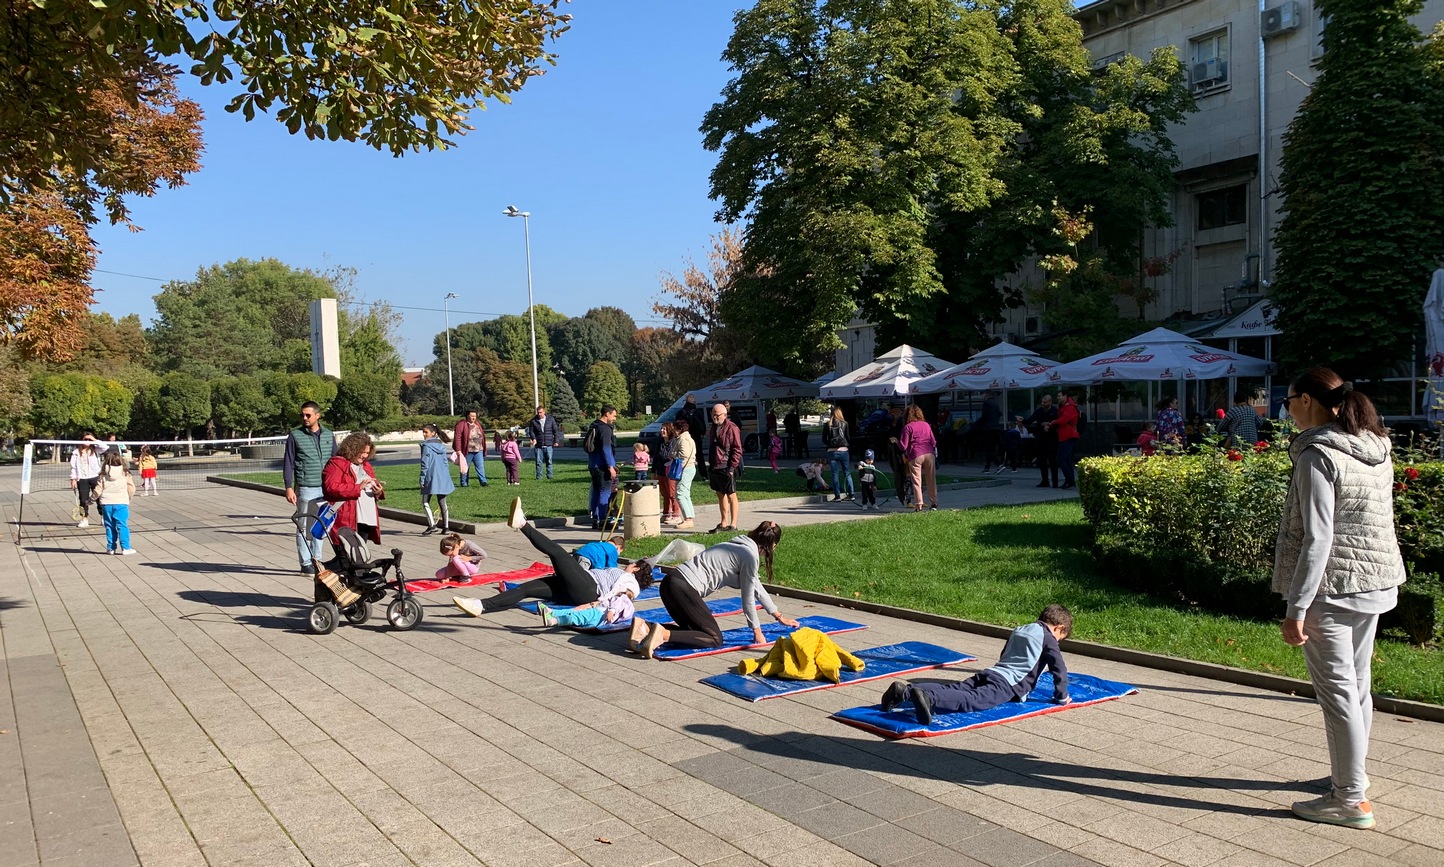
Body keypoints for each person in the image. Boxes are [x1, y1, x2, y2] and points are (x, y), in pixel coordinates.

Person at [1274, 369, 1405, 831]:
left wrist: (1297, 607)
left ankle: (1349, 799)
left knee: (1339, 696)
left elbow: (1318, 538)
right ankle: (1352, 780)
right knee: (1358, 686)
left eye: (1288, 400)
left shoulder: (1317, 453)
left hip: (1330, 589)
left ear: (1307, 400)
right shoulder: (1375, 446)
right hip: (1374, 581)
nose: (1285, 408)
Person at [628, 521, 800, 658]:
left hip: (670, 583)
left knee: (694, 632)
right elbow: (747, 597)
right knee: (713, 638)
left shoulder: (740, 542)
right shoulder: (750, 556)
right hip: (683, 588)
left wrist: (778, 616)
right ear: (772, 545)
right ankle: (663, 634)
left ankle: (646, 628)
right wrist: (757, 632)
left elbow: (756, 586)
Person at [882, 605, 1072, 724]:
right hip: (1007, 683)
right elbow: (1059, 668)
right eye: (1060, 637)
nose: (1057, 641)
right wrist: (1061, 697)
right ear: (1059, 627)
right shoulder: (1048, 638)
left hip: (991, 672)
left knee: (958, 687)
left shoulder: (1021, 629)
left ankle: (904, 691)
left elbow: (1005, 653)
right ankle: (928, 697)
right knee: (973, 700)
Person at [453, 499, 637, 614]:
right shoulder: (620, 572)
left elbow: (625, 595)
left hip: (588, 590)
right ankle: (481, 605)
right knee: (525, 589)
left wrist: (596, 604)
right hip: (572, 591)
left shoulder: (630, 581)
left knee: (557, 553)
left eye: (637, 566)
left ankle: (522, 524)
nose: (632, 565)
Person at [283, 401, 337, 575]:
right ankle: (305, 562)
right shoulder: (295, 436)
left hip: (325, 488)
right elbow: (288, 463)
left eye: (308, 415)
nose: (304, 418)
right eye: (302, 415)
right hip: (306, 487)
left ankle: (317, 559)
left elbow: (335, 461)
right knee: (304, 525)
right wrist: (289, 487)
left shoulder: (328, 434)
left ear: (317, 415)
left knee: (320, 525)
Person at [537, 562, 655, 630]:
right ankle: (551, 612)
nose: (627, 565)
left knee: (579, 617)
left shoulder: (629, 585)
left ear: (636, 568)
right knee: (576, 612)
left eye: (631, 564)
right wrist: (592, 604)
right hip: (600, 611)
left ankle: (555, 620)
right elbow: (613, 597)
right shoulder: (626, 582)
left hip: (602, 614)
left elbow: (620, 599)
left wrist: (611, 611)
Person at [322, 432, 384, 553]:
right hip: (349, 515)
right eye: (362, 452)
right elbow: (331, 487)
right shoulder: (337, 463)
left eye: (367, 453)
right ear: (353, 449)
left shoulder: (366, 466)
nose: (364, 456)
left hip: (367, 516)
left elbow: (372, 485)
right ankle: (326, 568)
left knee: (359, 553)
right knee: (347, 554)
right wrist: (357, 487)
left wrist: (378, 491)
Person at [896, 405, 939, 512]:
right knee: (931, 479)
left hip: (916, 454)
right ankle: (934, 503)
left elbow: (903, 446)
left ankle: (919, 504)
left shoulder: (908, 427)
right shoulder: (926, 425)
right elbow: (933, 442)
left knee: (916, 481)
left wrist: (896, 441)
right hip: (929, 453)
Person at [708, 403, 743, 532]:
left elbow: (737, 449)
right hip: (715, 465)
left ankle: (733, 524)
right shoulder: (713, 427)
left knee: (731, 494)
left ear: (725, 415)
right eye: (713, 414)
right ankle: (723, 522)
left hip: (727, 465)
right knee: (719, 493)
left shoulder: (731, 428)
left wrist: (732, 468)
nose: (715, 417)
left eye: (717, 415)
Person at [95, 450, 137, 555]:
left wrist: (90, 500)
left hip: (106, 503)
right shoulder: (125, 473)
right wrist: (128, 498)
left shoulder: (103, 475)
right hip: (121, 502)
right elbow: (131, 488)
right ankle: (126, 548)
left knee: (109, 526)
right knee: (122, 525)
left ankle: (111, 548)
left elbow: (98, 490)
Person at [586, 405, 619, 530]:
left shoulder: (594, 425)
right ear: (607, 414)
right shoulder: (605, 429)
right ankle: (603, 520)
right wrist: (610, 466)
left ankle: (595, 518)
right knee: (604, 492)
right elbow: (606, 448)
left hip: (593, 464)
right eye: (614, 415)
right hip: (602, 465)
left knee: (596, 490)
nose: (615, 418)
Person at [418, 423, 455, 536]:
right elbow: (445, 462)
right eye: (423, 432)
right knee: (442, 502)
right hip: (443, 476)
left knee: (425, 501)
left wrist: (422, 478)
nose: (424, 434)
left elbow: (425, 463)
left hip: (430, 476)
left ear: (433, 433)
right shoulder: (441, 445)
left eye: (426, 432)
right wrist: (446, 474)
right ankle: (446, 527)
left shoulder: (426, 446)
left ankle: (432, 525)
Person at [68, 434, 106, 529]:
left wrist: (94, 439)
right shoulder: (76, 452)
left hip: (95, 477)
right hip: (82, 479)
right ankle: (84, 519)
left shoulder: (95, 450)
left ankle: (103, 517)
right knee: (83, 500)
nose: (87, 441)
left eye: (89, 439)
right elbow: (73, 467)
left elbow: (105, 447)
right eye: (85, 439)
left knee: (99, 498)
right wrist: (73, 479)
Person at [1024, 395, 1059, 488]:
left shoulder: (1055, 411)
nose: (1043, 404)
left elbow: (1059, 423)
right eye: (1042, 402)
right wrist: (1022, 420)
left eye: (1045, 402)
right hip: (1041, 438)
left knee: (1052, 461)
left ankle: (1055, 482)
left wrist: (1049, 424)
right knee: (1042, 461)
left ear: (1050, 402)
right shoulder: (1039, 411)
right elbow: (1029, 421)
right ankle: (1045, 480)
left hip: (1052, 439)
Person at [822, 407, 854, 502]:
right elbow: (848, 437)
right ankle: (851, 494)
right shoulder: (845, 423)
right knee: (847, 472)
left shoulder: (828, 424)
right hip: (844, 450)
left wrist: (829, 443)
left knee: (834, 474)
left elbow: (824, 439)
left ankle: (837, 496)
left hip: (832, 451)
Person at [1049, 392, 1080, 490]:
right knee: (1066, 459)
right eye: (1057, 396)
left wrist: (1052, 423)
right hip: (1065, 436)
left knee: (1060, 459)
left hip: (1068, 436)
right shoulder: (1065, 407)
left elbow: (1062, 420)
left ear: (1065, 396)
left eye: (1059, 396)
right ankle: (1070, 481)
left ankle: (1070, 480)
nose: (1058, 398)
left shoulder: (1069, 407)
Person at [671, 419, 698, 530]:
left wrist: (673, 454)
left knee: (680, 494)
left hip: (685, 468)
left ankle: (688, 519)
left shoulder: (683, 439)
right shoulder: (687, 437)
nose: (673, 431)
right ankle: (689, 516)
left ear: (679, 429)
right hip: (689, 467)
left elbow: (684, 454)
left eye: (675, 429)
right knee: (685, 493)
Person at [453, 410, 489, 487]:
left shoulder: (477, 424)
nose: (473, 418)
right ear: (467, 416)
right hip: (467, 451)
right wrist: (458, 450)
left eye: (475, 416)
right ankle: (464, 483)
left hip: (478, 450)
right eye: (472, 416)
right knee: (465, 468)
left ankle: (483, 482)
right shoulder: (461, 424)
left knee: (480, 467)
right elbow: (457, 437)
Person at [677, 393, 709, 474]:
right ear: (694, 401)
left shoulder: (681, 412)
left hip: (684, 435)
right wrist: (703, 433)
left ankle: (681, 472)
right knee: (699, 455)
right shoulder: (697, 412)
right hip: (696, 436)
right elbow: (703, 425)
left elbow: (676, 424)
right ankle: (704, 473)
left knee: (683, 454)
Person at [528, 405, 562, 480]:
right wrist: (533, 438)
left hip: (549, 444)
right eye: (538, 412)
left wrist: (556, 440)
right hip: (538, 445)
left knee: (549, 461)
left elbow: (555, 430)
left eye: (541, 412)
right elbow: (531, 431)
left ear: (544, 412)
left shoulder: (551, 419)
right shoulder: (533, 421)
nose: (539, 414)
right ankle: (539, 477)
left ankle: (549, 476)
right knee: (538, 462)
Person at [977, 390, 1004, 473]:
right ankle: (987, 467)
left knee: (989, 448)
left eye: (982, 394)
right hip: (995, 427)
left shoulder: (986, 403)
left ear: (985, 394)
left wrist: (977, 424)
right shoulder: (995, 403)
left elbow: (984, 416)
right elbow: (999, 414)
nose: (982, 396)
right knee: (991, 448)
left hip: (988, 428)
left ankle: (999, 465)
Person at [658, 423, 680, 524]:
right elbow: (656, 458)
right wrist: (654, 471)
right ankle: (666, 513)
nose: (662, 431)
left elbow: (671, 456)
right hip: (661, 471)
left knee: (672, 493)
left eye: (664, 429)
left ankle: (676, 514)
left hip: (670, 471)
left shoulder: (673, 442)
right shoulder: (660, 443)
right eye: (661, 429)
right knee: (664, 493)